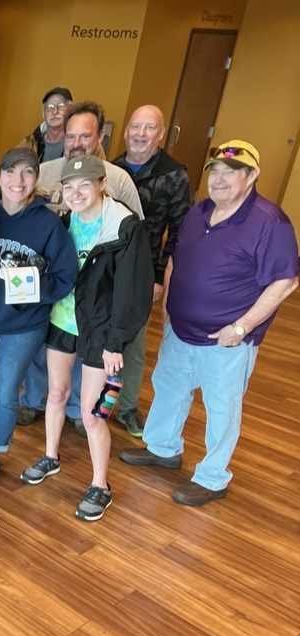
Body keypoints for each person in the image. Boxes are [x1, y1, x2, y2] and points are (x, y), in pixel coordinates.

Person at [120, 141, 298, 506]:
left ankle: (213, 478)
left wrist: (241, 327)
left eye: (230, 172)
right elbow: (176, 259)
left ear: (252, 176)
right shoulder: (199, 211)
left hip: (226, 339)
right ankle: (163, 448)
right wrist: (168, 303)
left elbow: (286, 281)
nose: (219, 179)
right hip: (180, 327)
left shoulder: (270, 222)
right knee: (169, 388)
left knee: (221, 408)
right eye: (214, 171)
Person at [20, 155, 152, 521]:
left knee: (93, 415)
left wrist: (116, 342)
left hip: (101, 333)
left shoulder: (125, 227)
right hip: (63, 322)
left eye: (84, 185)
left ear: (102, 185)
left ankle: (100, 485)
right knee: (56, 394)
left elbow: (133, 291)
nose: (75, 193)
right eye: (69, 187)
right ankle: (50, 456)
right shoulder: (64, 222)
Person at [0, 148, 77, 489]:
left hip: (23, 325)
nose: (17, 181)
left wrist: (32, 288)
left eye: (27, 173)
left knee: (6, 391)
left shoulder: (48, 224)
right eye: (10, 171)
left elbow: (65, 276)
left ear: (36, 180)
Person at [18, 101, 144, 432]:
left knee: (88, 356)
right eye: (71, 135)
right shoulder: (45, 172)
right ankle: (34, 400)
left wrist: (154, 278)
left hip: (99, 294)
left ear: (100, 136)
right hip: (55, 288)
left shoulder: (118, 178)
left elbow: (134, 236)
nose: (77, 142)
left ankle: (79, 409)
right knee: (45, 349)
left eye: (85, 135)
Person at [109, 104, 192, 438]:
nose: (140, 134)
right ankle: (95, 406)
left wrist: (159, 277)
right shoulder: (112, 168)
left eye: (149, 128)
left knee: (133, 347)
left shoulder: (174, 174)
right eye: (135, 127)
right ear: (126, 130)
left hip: (142, 274)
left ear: (161, 134)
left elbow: (180, 232)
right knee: (102, 343)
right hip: (107, 270)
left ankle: (127, 408)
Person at [18, 87, 73, 163]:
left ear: (71, 110)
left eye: (61, 106)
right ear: (43, 113)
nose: (55, 112)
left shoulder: (77, 143)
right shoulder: (28, 144)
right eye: (50, 107)